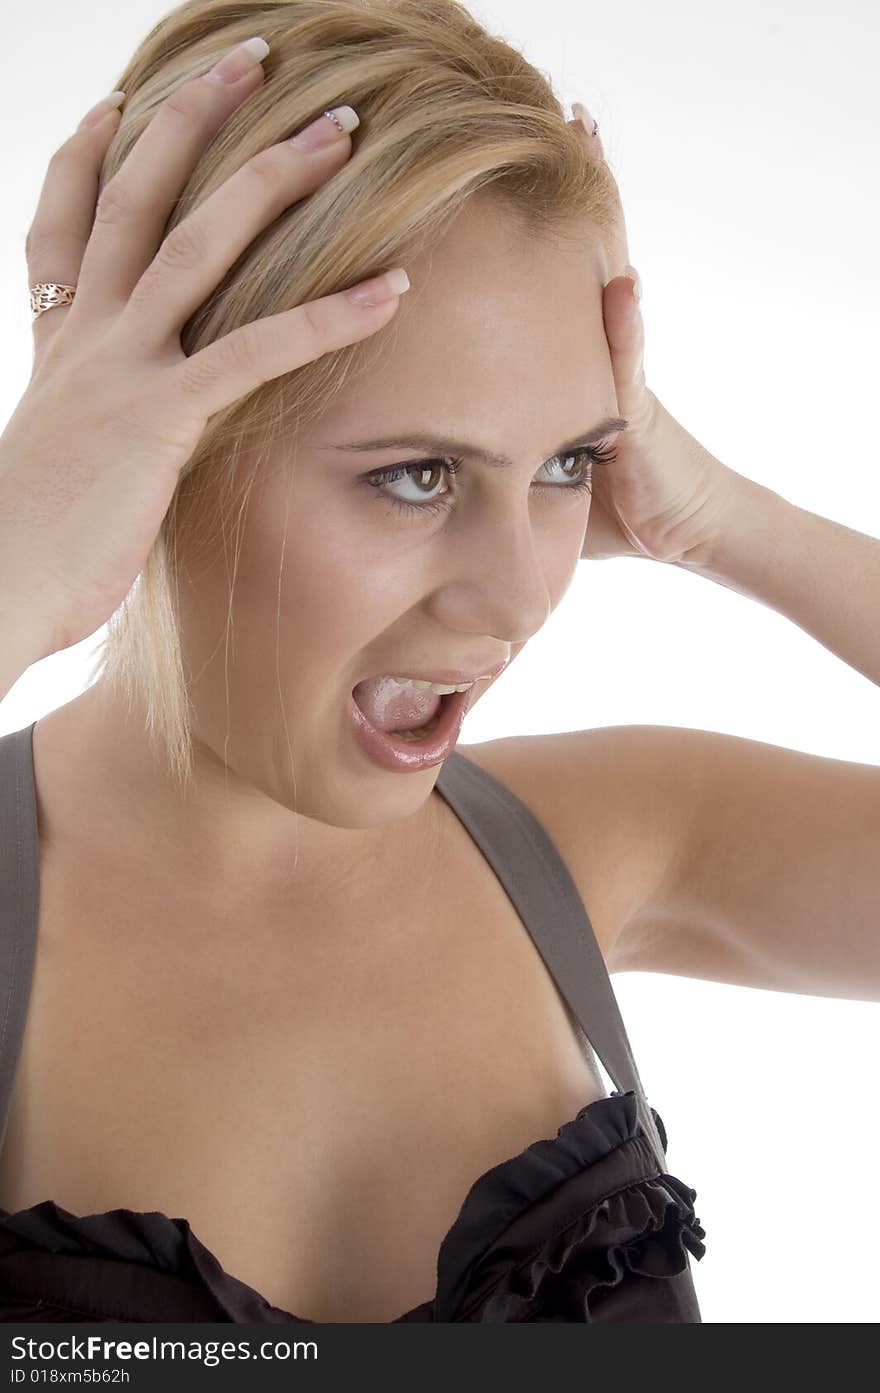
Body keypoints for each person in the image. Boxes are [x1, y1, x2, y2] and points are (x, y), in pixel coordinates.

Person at [0, 2, 876, 1326]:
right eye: (415, 475)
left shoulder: (597, 847)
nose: (523, 589)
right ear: (151, 454)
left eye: (568, 463)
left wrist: (729, 522)